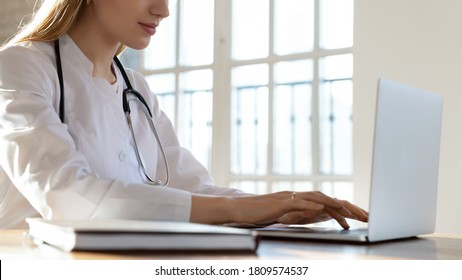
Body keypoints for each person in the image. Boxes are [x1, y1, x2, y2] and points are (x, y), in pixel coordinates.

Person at [0, 0, 368, 229]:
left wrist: (280, 207)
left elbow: (191, 188)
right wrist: (242, 211)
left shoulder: (137, 88)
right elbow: (68, 197)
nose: (163, 9)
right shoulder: (19, 67)